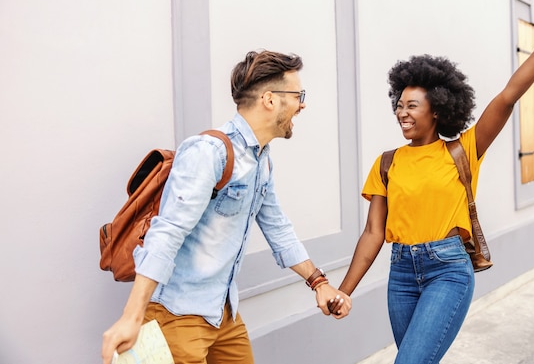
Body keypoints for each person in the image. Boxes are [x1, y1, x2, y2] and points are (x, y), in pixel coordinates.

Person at [337, 0, 534, 364]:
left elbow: (509, 94)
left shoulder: (463, 149)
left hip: (448, 271)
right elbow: (373, 232)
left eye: (412, 105)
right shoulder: (387, 162)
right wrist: (345, 290)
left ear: (437, 109)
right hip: (402, 277)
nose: (401, 112)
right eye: (399, 105)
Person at [101, 50, 351, 364]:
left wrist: (319, 283)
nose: (303, 104)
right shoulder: (209, 152)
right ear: (270, 100)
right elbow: (166, 233)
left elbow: (278, 227)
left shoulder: (261, 159)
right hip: (178, 315)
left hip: (224, 314)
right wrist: (131, 316)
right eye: (298, 95)